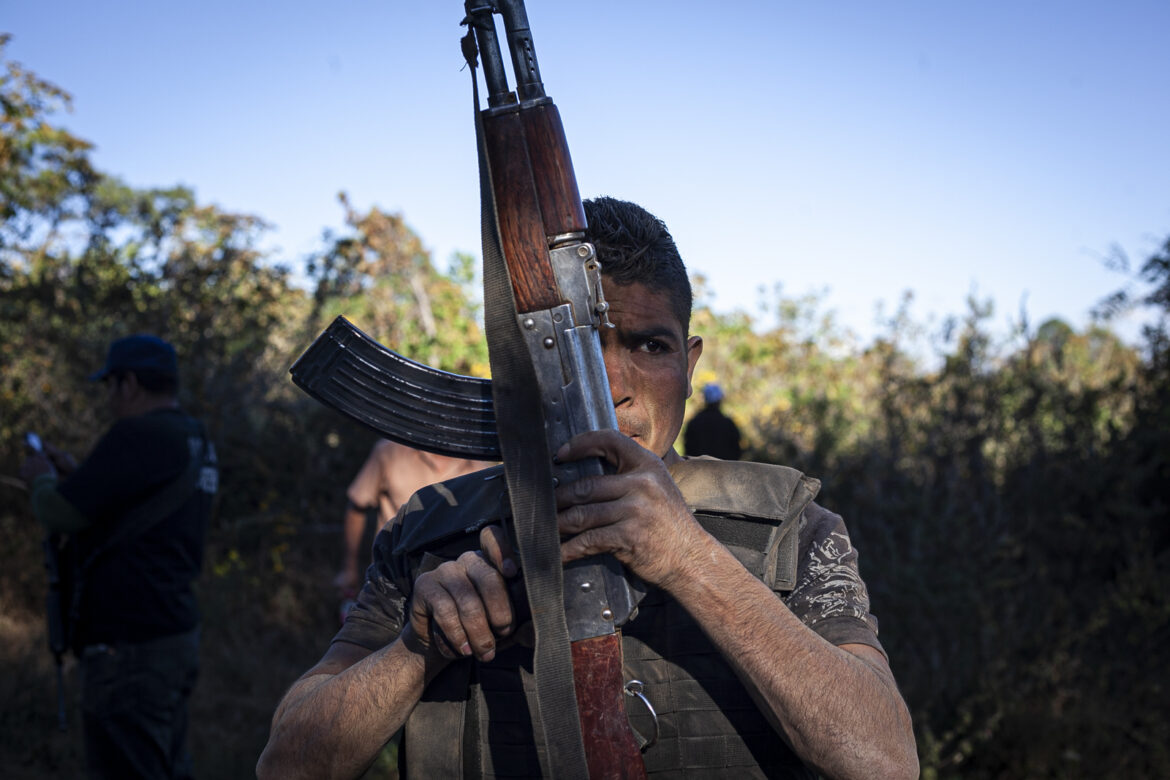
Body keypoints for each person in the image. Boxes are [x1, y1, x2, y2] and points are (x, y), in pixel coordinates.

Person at [257, 197, 918, 779]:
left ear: (689, 367)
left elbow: (884, 761)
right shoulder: (432, 530)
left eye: (650, 346)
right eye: (574, 346)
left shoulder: (789, 527)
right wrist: (418, 649)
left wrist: (690, 561)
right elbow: (288, 763)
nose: (612, 382)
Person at [21, 334, 218, 780]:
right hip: (174, 632)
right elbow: (140, 505)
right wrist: (76, 474)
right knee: (168, 764)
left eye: (110, 386)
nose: (109, 399)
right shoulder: (194, 438)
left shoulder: (136, 434)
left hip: (126, 644)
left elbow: (58, 512)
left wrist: (41, 480)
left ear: (128, 383)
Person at [334, 439, 486, 611]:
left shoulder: (480, 463)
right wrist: (349, 567)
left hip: (453, 588)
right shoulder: (389, 451)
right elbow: (357, 506)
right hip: (390, 582)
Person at [684, 381, 743, 460]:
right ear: (719, 400)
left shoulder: (694, 423)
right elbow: (736, 451)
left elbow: (689, 450)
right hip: (725, 470)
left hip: (699, 470)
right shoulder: (728, 424)